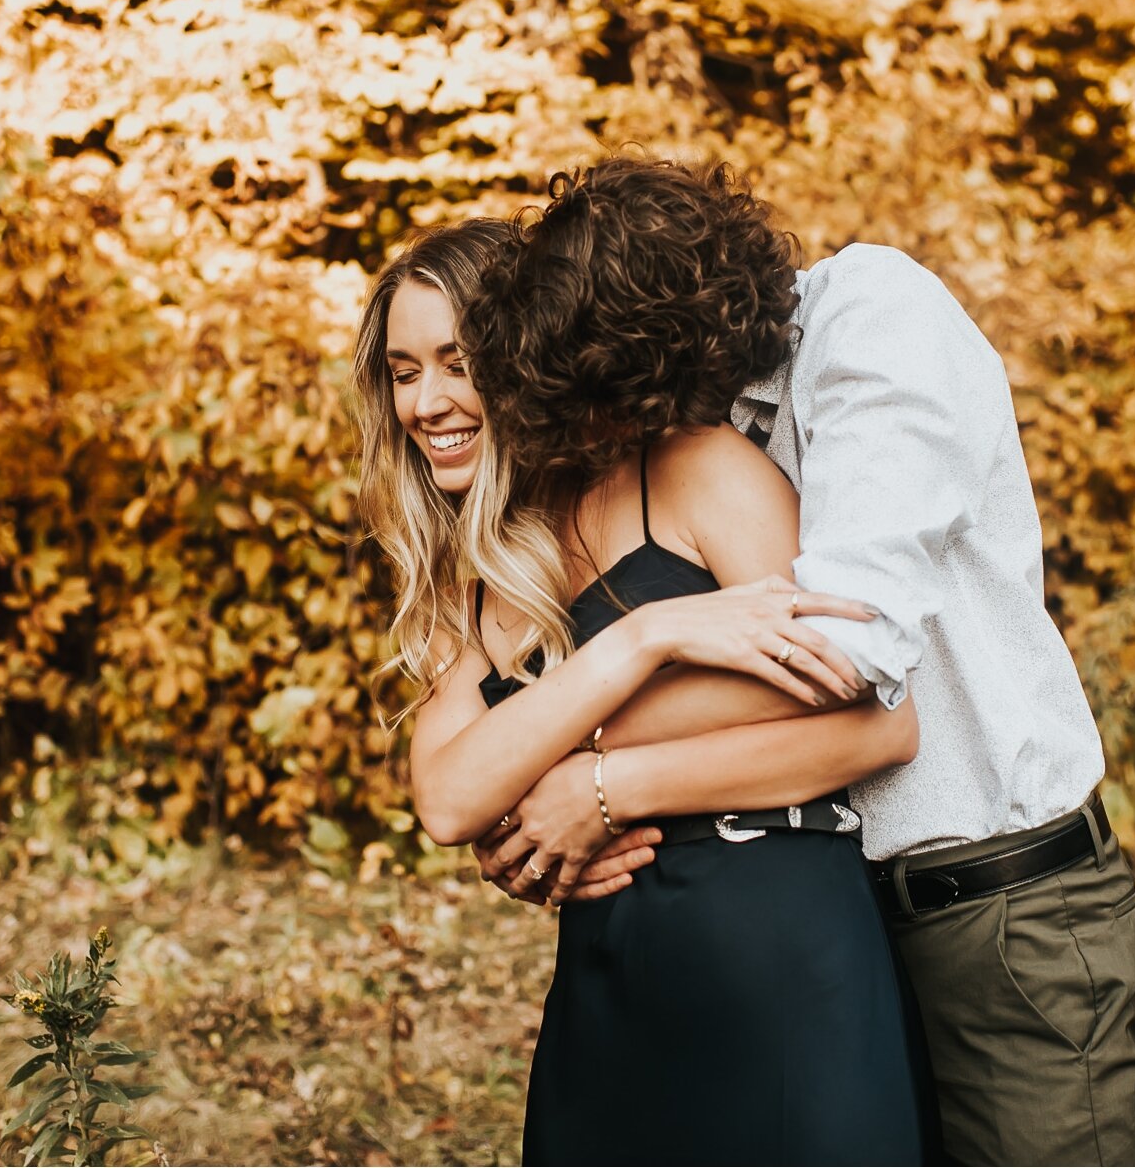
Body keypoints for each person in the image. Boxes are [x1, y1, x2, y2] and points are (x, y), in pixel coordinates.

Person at [461, 157, 1135, 1167]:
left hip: (1001, 914)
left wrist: (564, 758)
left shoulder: (876, 324)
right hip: (847, 911)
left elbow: (842, 650)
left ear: (654, 345)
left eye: (605, 398)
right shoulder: (716, 423)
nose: (603, 434)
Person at [352, 218, 928, 1164]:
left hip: (781, 965)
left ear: (527, 352)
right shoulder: (474, 572)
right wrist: (646, 638)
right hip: (609, 978)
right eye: (404, 371)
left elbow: (878, 730)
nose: (430, 401)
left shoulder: (692, 470)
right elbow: (451, 798)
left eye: (458, 361)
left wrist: (598, 783)